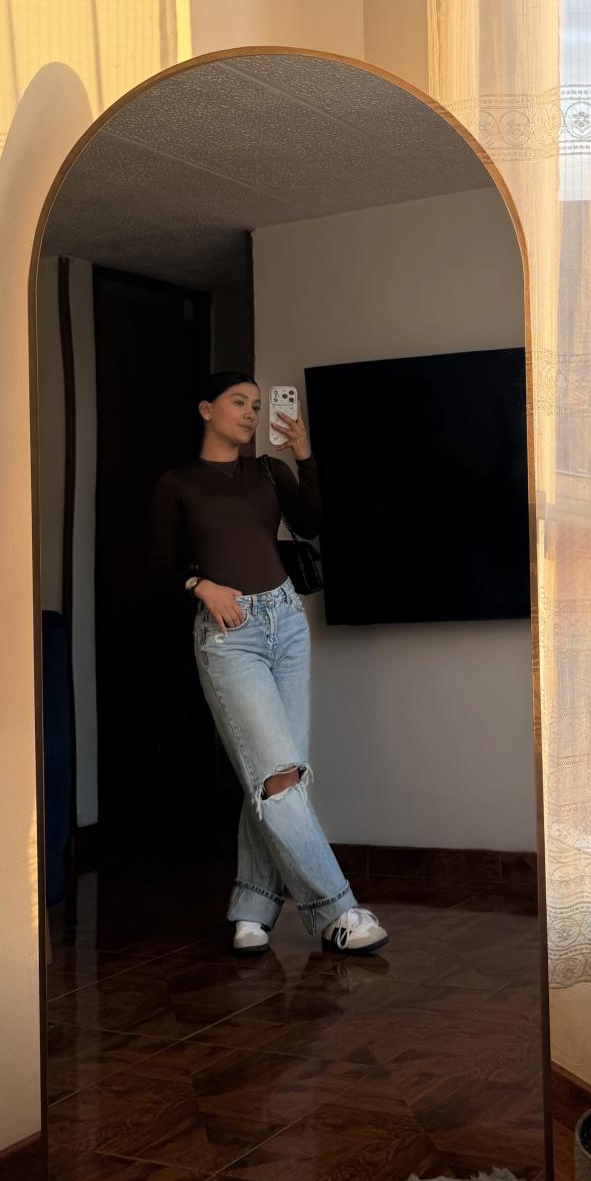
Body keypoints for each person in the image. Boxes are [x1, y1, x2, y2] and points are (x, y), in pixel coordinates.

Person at [149, 370, 389, 957]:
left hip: (286, 621)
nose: (251, 413)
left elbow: (311, 523)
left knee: (281, 774)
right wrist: (200, 585)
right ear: (206, 409)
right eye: (238, 402)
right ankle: (338, 912)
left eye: (257, 405)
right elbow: (157, 562)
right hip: (230, 636)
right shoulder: (177, 483)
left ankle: (252, 906)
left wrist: (303, 454)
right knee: (278, 776)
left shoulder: (267, 472)